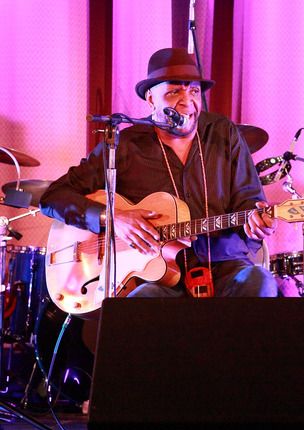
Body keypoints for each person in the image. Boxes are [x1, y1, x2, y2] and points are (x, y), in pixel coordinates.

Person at [40, 47, 278, 298]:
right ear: (151, 99)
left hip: (224, 267)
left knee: (260, 282)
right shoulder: (125, 146)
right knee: (140, 305)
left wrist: (257, 225)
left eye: (194, 91)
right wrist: (112, 218)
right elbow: (53, 197)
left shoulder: (223, 133)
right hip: (159, 278)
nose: (187, 102)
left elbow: (249, 201)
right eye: (174, 92)